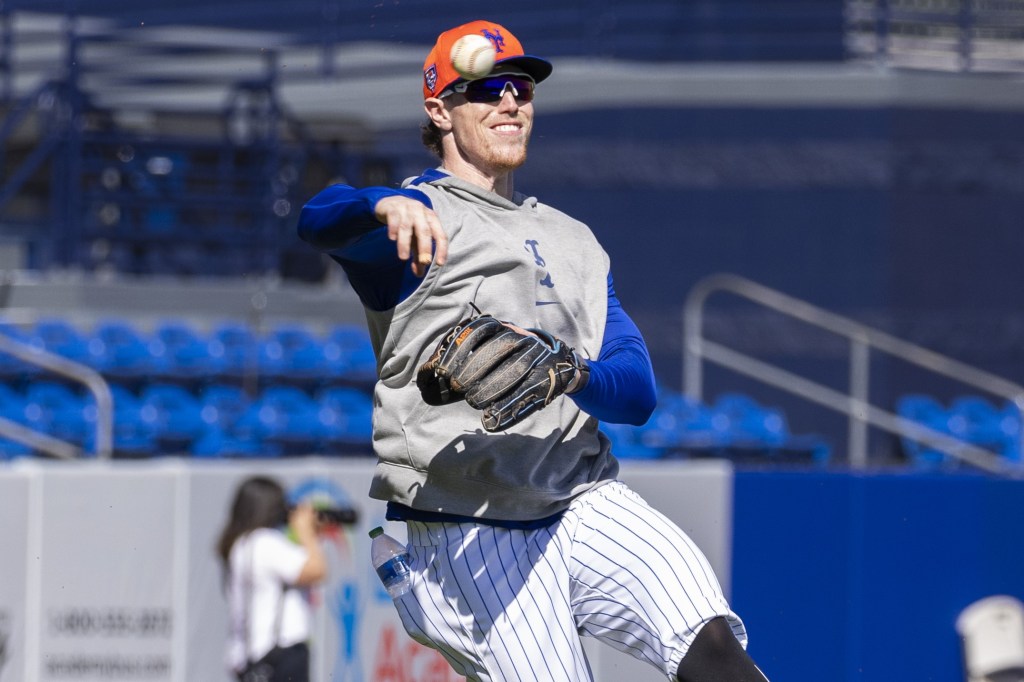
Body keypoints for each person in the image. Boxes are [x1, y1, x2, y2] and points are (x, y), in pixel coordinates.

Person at [297, 19, 769, 682]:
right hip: (466, 527)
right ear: (439, 110)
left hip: (581, 498)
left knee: (714, 648)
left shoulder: (571, 239)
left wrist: (571, 373)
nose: (510, 101)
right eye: (486, 89)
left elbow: (636, 391)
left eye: (521, 87)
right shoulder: (416, 220)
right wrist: (379, 206)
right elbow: (317, 215)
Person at [216, 476, 327, 682]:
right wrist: (306, 531)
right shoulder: (264, 542)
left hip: (255, 655)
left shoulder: (242, 544)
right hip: (279, 653)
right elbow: (316, 570)